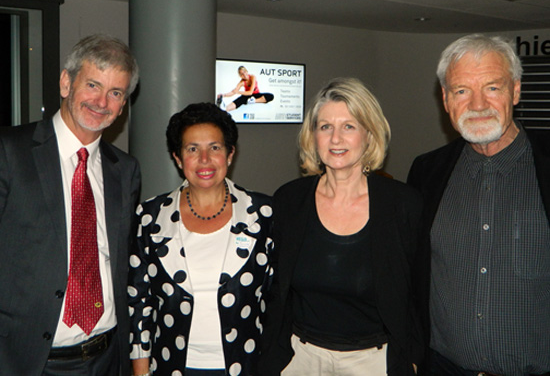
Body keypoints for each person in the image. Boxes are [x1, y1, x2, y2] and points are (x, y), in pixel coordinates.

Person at [259, 78, 423, 375]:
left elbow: (420, 294)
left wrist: (412, 359)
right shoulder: (289, 200)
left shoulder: (403, 204)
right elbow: (274, 290)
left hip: (373, 362)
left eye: (349, 126)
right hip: (300, 358)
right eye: (325, 127)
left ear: (369, 135)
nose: (336, 139)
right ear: (313, 137)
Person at [407, 34, 550, 375]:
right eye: (461, 91)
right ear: (445, 99)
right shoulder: (426, 172)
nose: (477, 104)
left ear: (515, 90)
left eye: (492, 88)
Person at [0, 34, 140, 375]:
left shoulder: (126, 170)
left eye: (116, 93)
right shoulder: (9, 153)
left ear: (123, 105)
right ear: (66, 83)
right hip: (27, 361)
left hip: (107, 358)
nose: (102, 101)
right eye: (93, 85)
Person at [128, 102, 273, 376]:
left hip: (247, 365)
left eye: (215, 147)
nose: (204, 159)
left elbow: (277, 298)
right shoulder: (150, 216)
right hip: (171, 366)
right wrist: (140, 370)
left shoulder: (264, 214)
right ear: (178, 158)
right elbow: (138, 302)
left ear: (230, 154)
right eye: (192, 149)